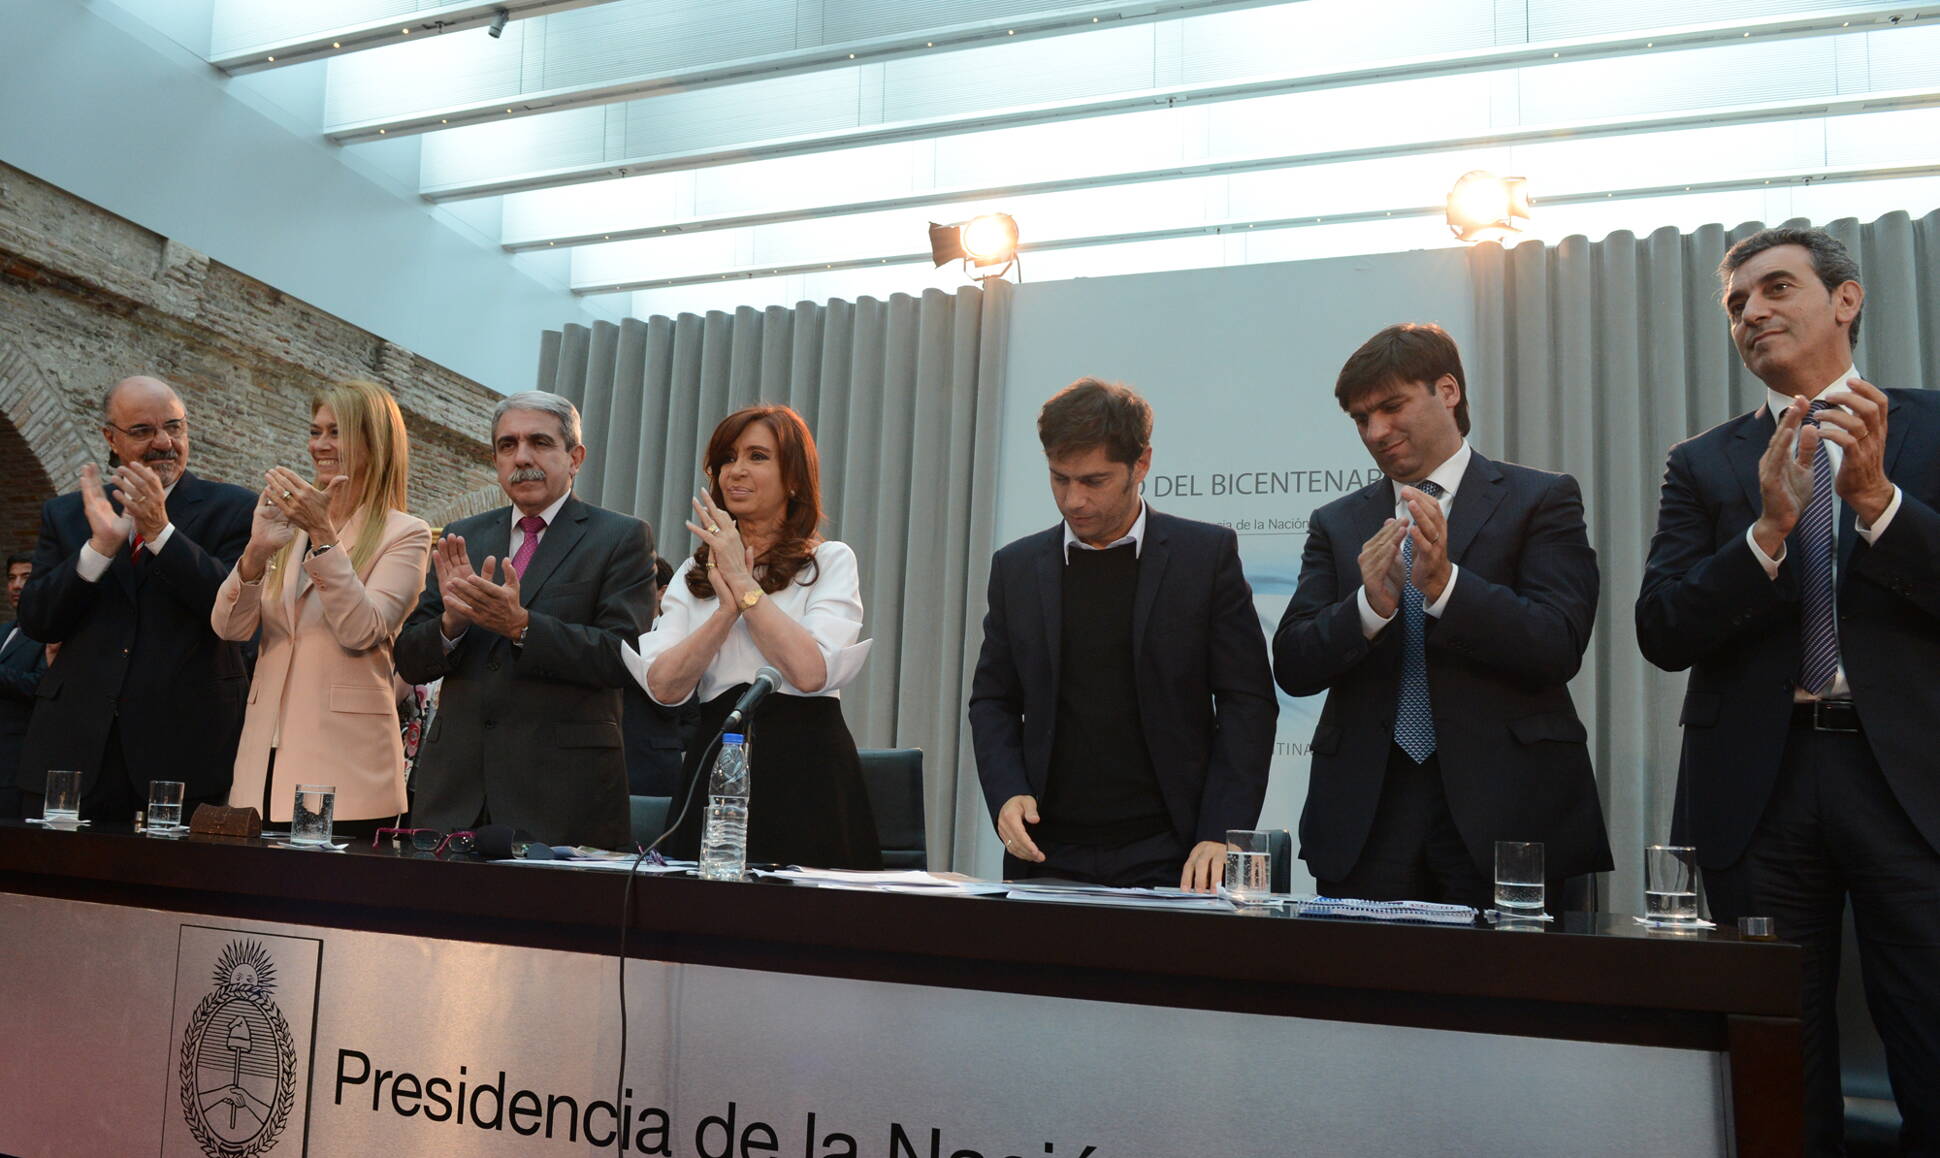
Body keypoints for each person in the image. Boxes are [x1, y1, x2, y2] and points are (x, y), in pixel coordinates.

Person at [1635, 226, 1940, 1156]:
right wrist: (1766, 534)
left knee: (1931, 1032)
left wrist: (1878, 499)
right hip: (1758, 786)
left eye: (1774, 289)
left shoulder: (1929, 426)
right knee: (1773, 1048)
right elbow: (1663, 630)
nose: (1752, 312)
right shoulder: (1706, 462)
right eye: (1736, 304)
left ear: (1845, 300)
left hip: (1909, 782)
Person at [1274, 324, 1611, 908]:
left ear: (1448, 390)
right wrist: (1368, 607)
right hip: (1368, 818)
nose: (1376, 432)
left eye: (1391, 406)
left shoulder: (1541, 498)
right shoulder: (1337, 523)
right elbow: (1294, 664)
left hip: (1510, 813)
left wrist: (1446, 587)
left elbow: (1557, 643)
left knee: (1516, 996)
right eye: (1360, 419)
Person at [969, 378, 1276, 890]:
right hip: (1046, 850)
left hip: (1173, 849)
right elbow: (993, 699)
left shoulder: (1204, 558)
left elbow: (1248, 702)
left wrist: (1222, 832)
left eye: (1094, 481)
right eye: (1059, 478)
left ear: (1142, 464)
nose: (1073, 500)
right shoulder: (1016, 568)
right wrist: (1006, 791)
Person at [395, 391, 655, 849]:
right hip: (454, 795)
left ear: (575, 458)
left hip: (563, 799)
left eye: (539, 442)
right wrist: (451, 626)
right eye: (507, 445)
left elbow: (623, 658)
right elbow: (411, 661)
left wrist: (521, 626)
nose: (522, 458)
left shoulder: (619, 537)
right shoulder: (464, 537)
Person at [629, 404, 880, 869]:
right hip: (715, 756)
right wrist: (723, 611)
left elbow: (809, 672)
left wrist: (744, 586)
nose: (735, 471)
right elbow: (664, 687)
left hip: (807, 763)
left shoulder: (829, 561)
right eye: (727, 458)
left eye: (757, 456)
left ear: (793, 478)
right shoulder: (691, 573)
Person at [14, 376, 255, 821]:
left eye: (174, 427)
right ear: (111, 437)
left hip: (185, 754)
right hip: (73, 752)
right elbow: (37, 620)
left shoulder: (236, 509)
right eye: (143, 431)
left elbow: (231, 610)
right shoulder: (69, 513)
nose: (163, 442)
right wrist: (99, 549)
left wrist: (161, 532)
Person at [211, 381, 431, 837]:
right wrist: (254, 554)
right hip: (261, 764)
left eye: (336, 432)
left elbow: (361, 629)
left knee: (325, 901)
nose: (320, 445)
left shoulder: (406, 533)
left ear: (375, 442)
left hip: (345, 767)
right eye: (316, 432)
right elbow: (230, 629)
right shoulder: (287, 524)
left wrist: (322, 535)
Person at [622, 555, 694, 797]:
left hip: (654, 770)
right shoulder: (610, 632)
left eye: (640, 582)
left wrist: (666, 742)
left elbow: (696, 718)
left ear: (663, 591)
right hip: (600, 767)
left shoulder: (682, 639)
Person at [1, 554, 50, 818]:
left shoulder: (50, 633)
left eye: (25, 577)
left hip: (16, 767)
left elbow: (39, 686)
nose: (16, 585)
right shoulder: (4, 631)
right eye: (11, 578)